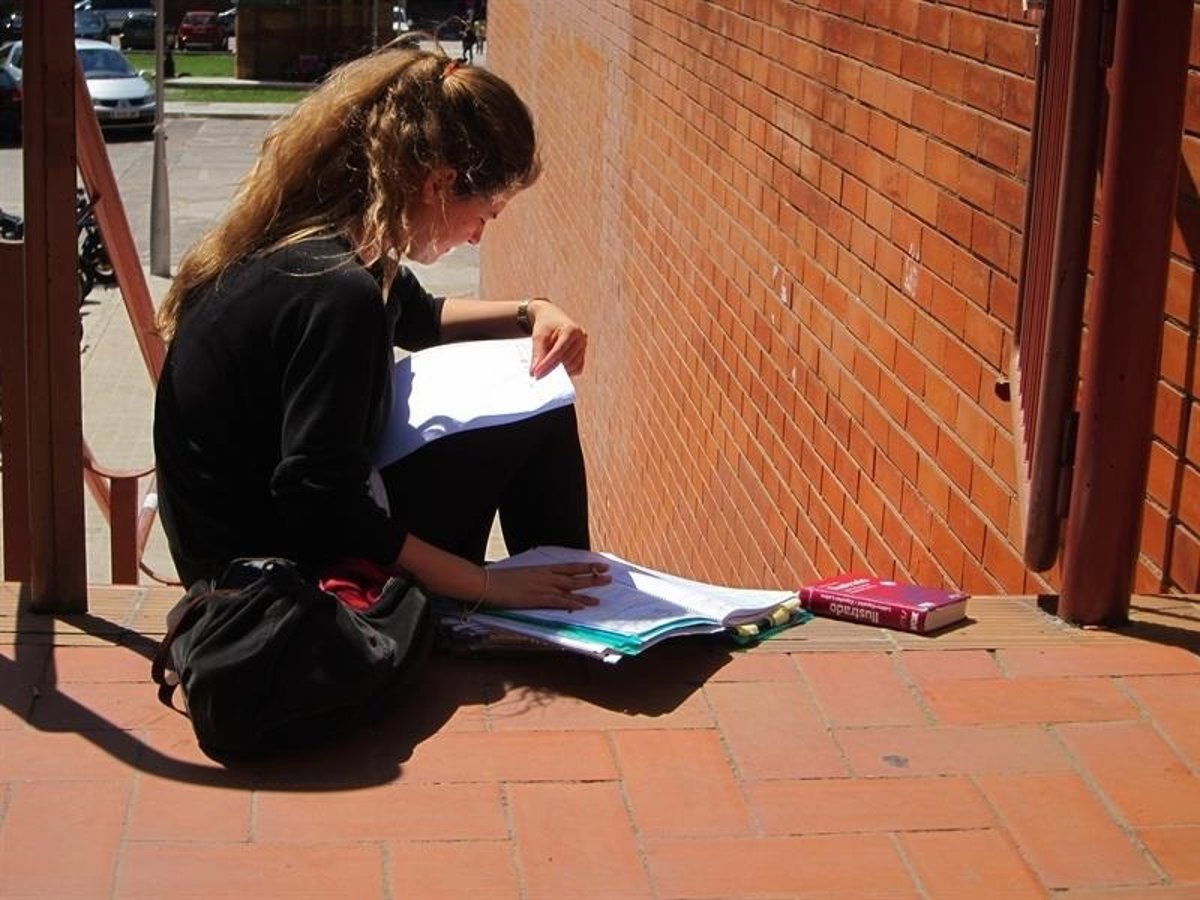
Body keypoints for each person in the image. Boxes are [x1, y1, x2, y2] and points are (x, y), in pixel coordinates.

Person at [153, 45, 610, 613]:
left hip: (251, 543)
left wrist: (532, 313)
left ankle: (565, 595)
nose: (477, 238)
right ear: (438, 184)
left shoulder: (324, 245)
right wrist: (487, 586)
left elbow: (419, 318)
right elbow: (326, 505)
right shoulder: (338, 292)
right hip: (270, 584)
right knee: (539, 412)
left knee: (536, 385)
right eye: (485, 215)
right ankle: (577, 612)